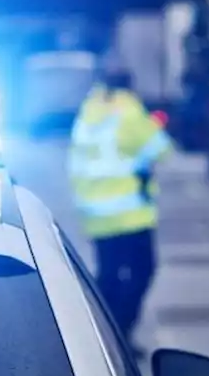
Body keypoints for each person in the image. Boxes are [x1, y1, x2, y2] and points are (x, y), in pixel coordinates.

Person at [67, 62, 172, 357]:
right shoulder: (127, 110)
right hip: (129, 213)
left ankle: (100, 333)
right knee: (142, 272)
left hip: (96, 212)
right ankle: (120, 335)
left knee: (109, 276)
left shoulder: (90, 110)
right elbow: (161, 149)